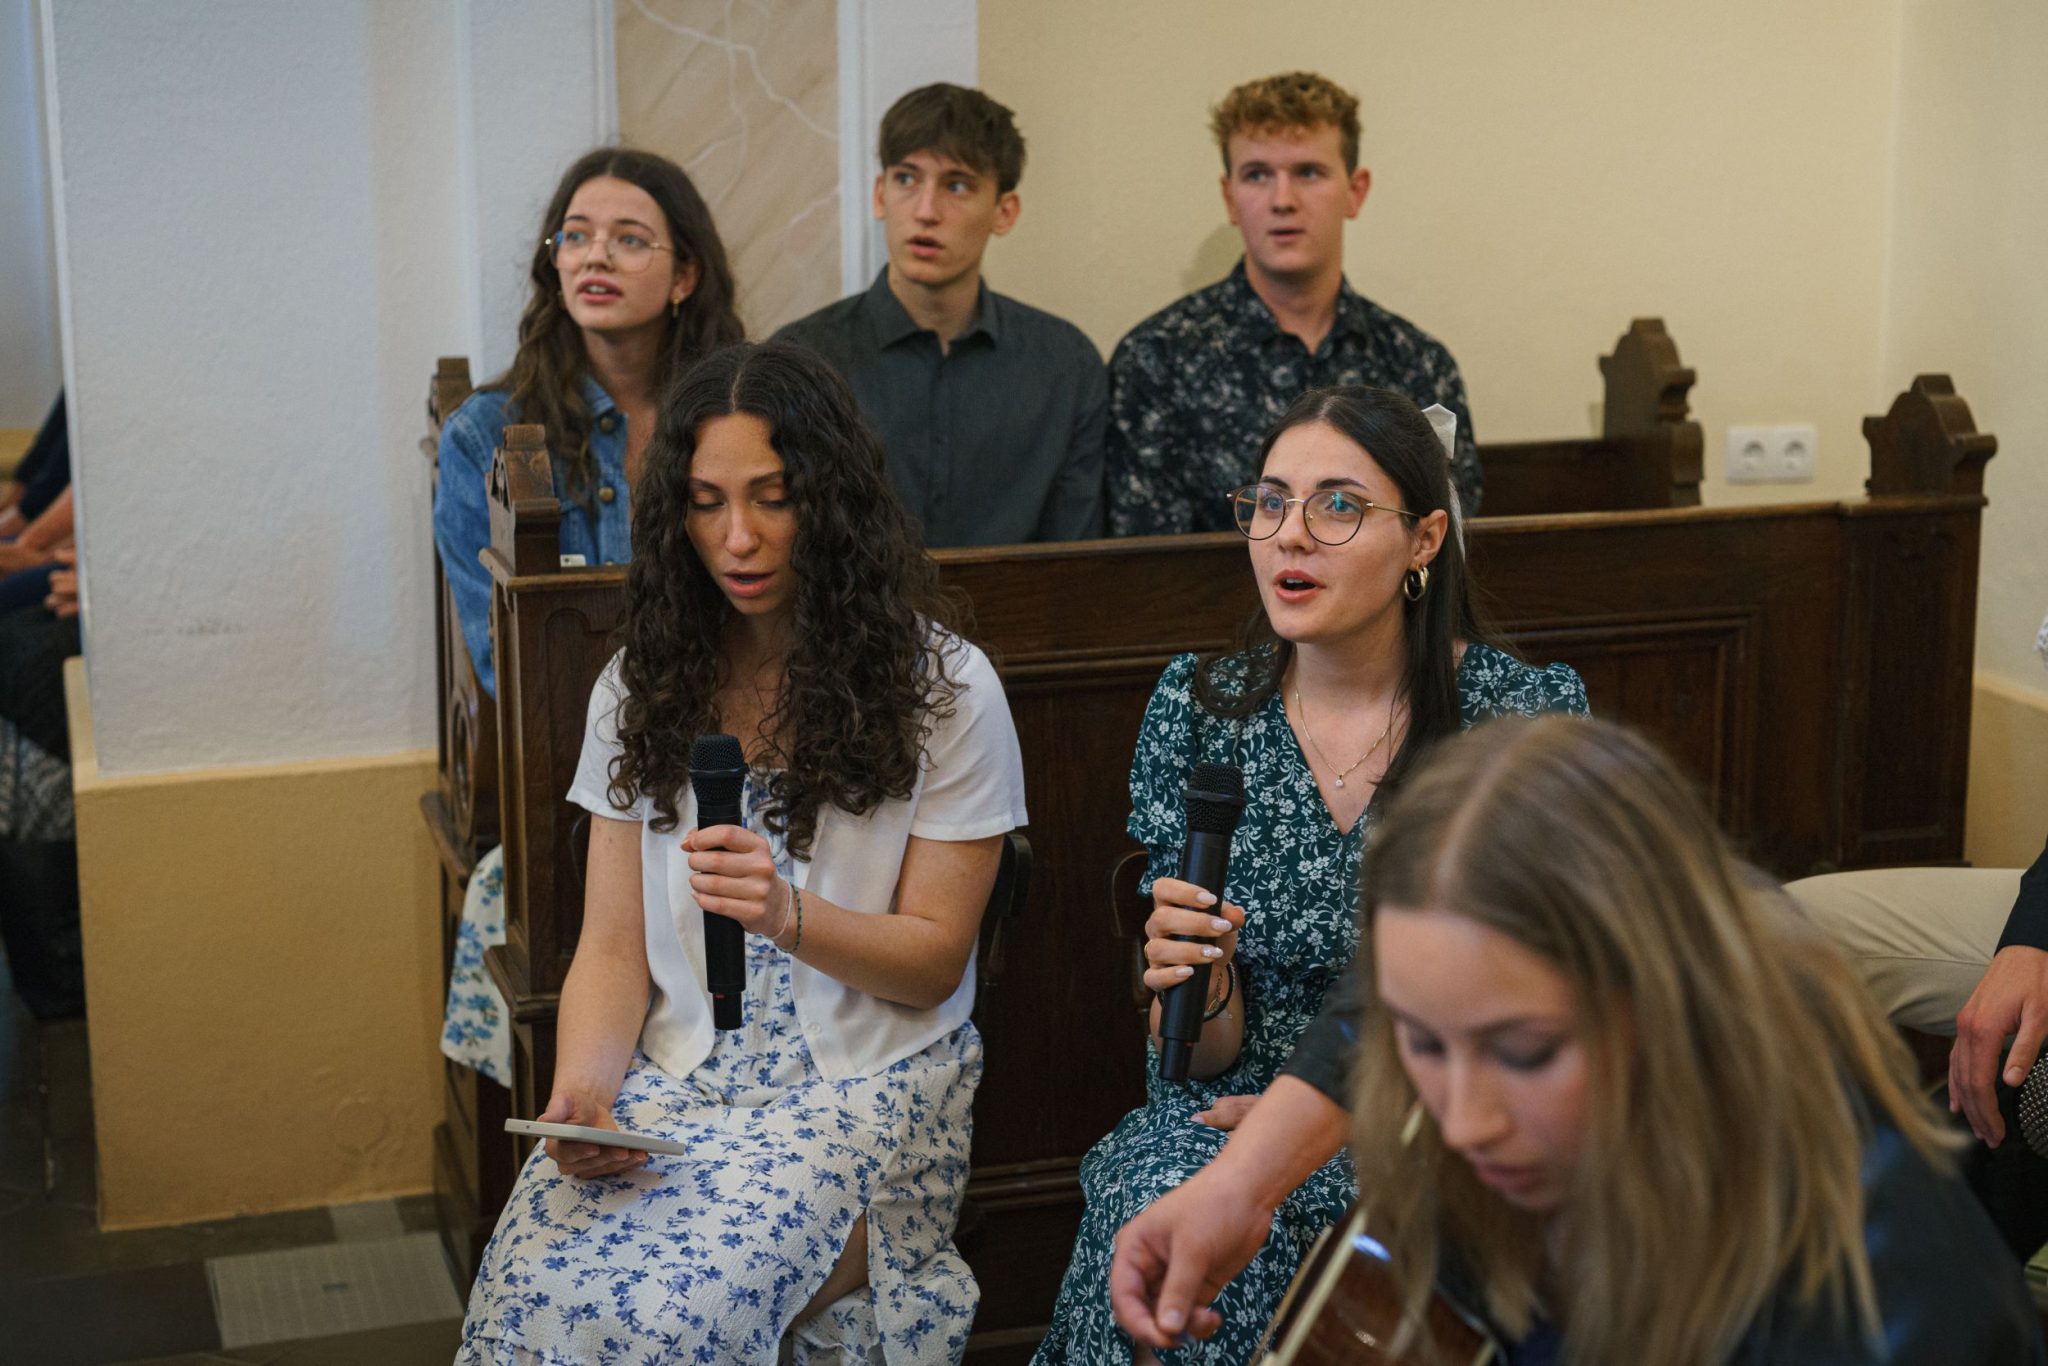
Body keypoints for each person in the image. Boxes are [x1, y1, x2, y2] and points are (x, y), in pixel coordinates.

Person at [457, 341, 1029, 1364]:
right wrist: (585, 1095)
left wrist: (783, 913)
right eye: (705, 502)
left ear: (832, 501)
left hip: (861, 1088)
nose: (737, 537)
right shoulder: (639, 683)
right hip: (676, 1080)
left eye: (773, 498)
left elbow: (935, 961)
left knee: (675, 1322)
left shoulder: (946, 687)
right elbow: (612, 948)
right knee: (526, 1294)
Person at [1034, 385, 1585, 1364]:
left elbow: (1549, 999)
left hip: (1440, 1122)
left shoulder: (1516, 718)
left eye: (1337, 505)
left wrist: (1334, 1126)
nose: (1289, 534)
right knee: (1163, 1203)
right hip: (1224, 1113)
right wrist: (1195, 975)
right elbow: (1195, 1057)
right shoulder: (1199, 705)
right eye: (1270, 502)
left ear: (1423, 540)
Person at [1318, 715, 2038, 1363]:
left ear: (1671, 999)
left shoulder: (1887, 1296)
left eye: (1525, 1053)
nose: (1463, 1124)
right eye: (1423, 1043)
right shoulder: (1480, 1169)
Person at [432, 146, 743, 1085]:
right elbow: (510, 670)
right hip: (580, 775)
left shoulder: (739, 414)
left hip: (741, 747)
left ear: (685, 275)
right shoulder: (490, 438)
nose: (594, 256)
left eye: (629, 239)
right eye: (575, 237)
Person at [1105, 71, 1482, 537]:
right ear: (1229, 197)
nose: (1282, 200)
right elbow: (1148, 562)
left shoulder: (1418, 364)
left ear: (1355, 191)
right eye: (1257, 175)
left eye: (1308, 172)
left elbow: (1445, 543)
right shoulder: (1157, 360)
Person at [774, 83, 1107, 547]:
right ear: (880, 195)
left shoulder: (1066, 364)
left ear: (1004, 212)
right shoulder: (801, 360)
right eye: (906, 179)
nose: (926, 211)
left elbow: (1078, 557)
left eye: (957, 186)